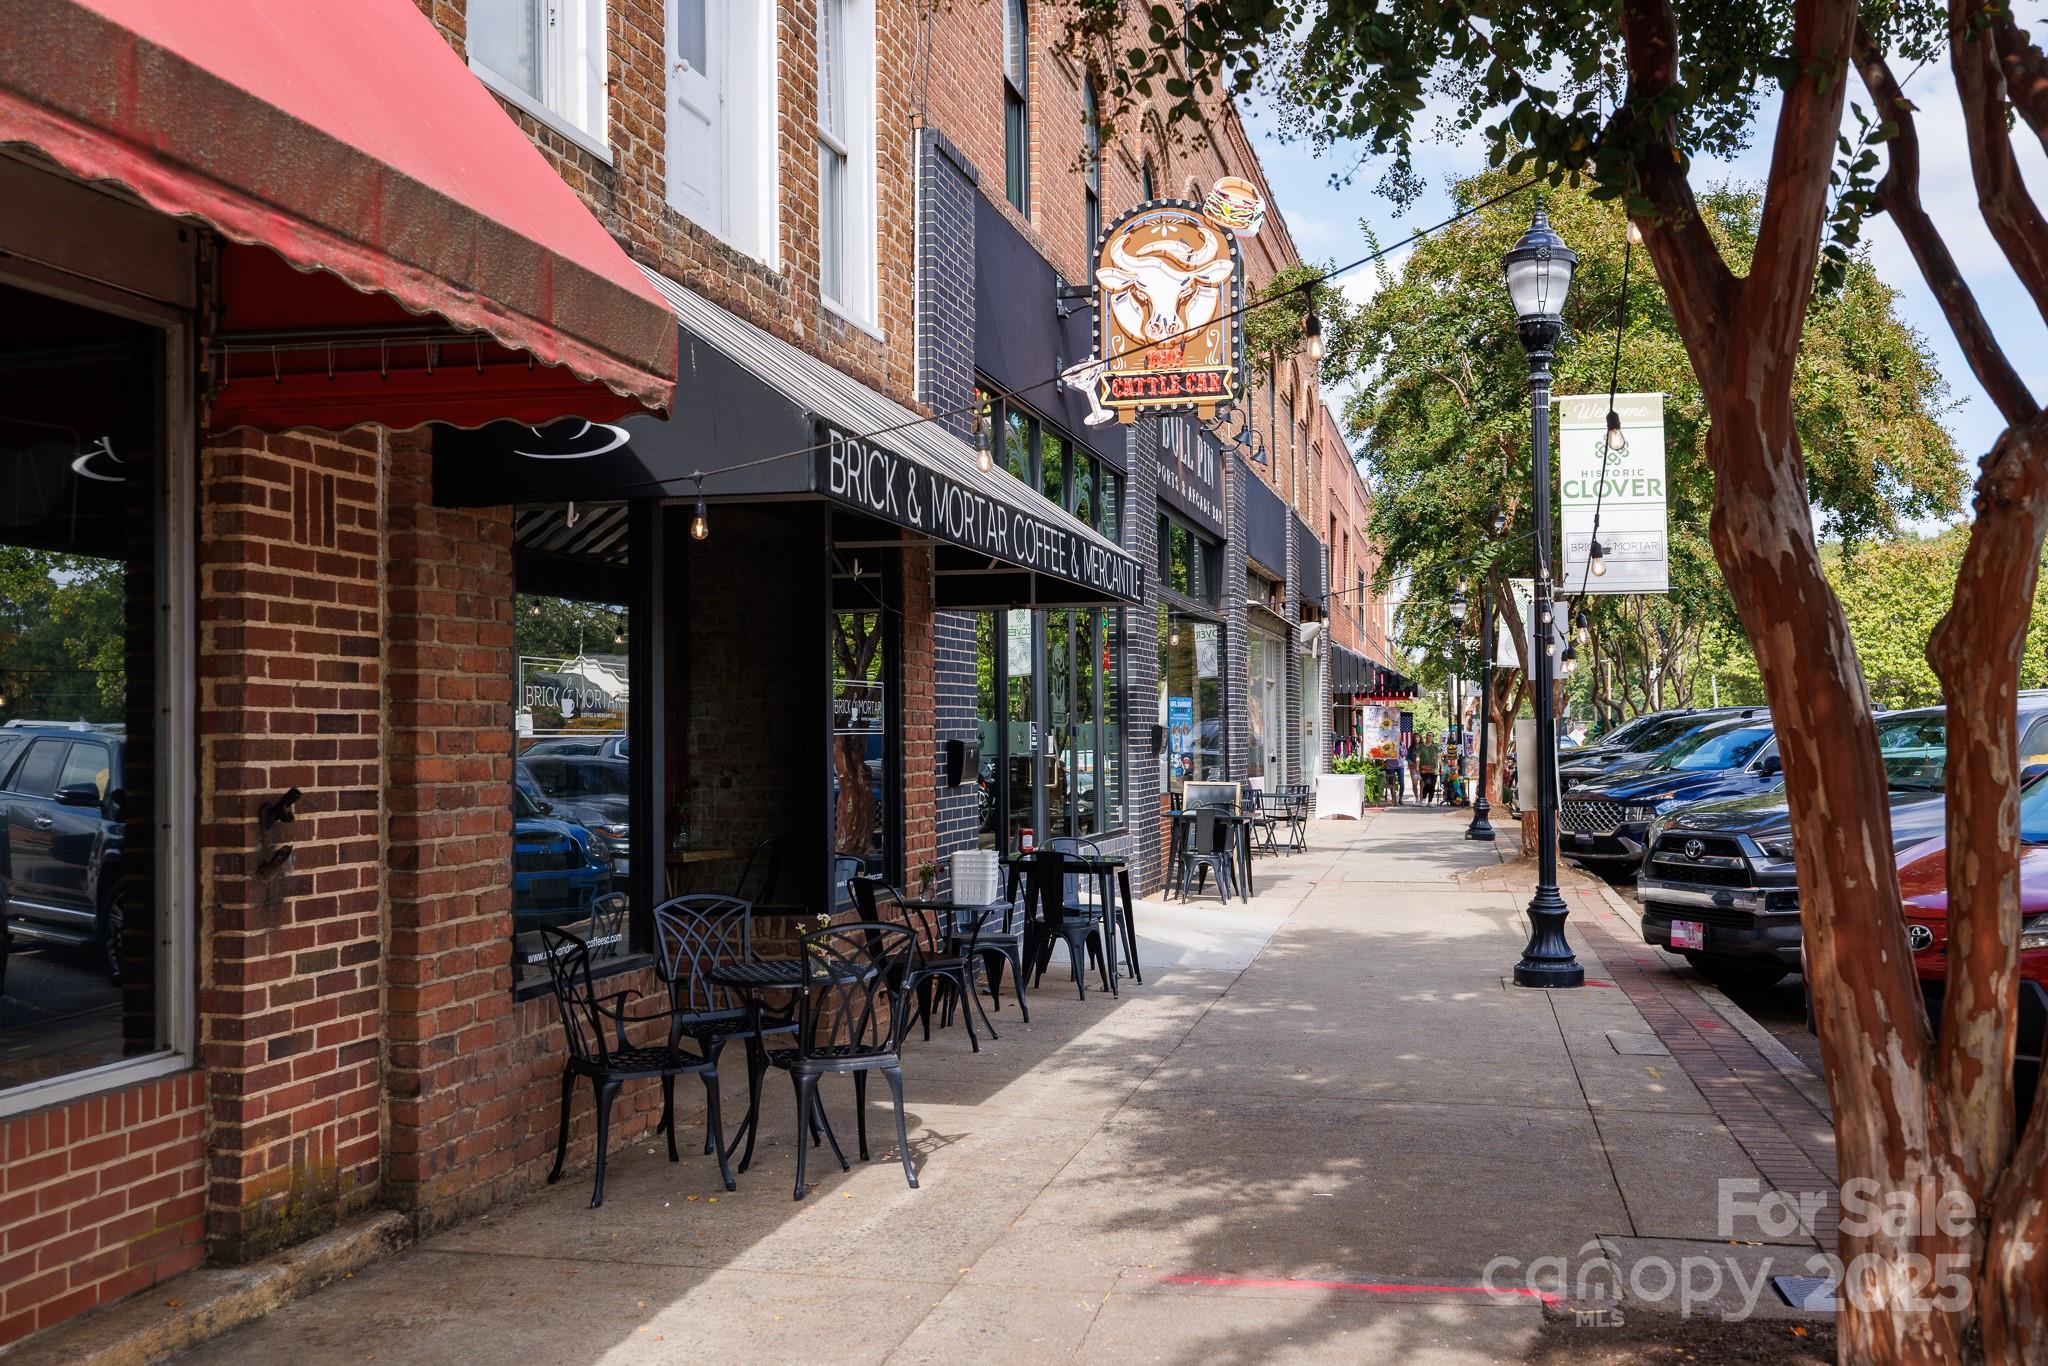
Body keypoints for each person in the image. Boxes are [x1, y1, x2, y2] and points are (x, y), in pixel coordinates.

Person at [1414, 731, 1440, 803]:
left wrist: (1442, 766)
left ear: (1433, 738)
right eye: (1428, 735)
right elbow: (1418, 757)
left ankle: (1430, 802)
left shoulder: (1435, 747)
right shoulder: (1421, 746)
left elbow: (1438, 757)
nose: (1429, 737)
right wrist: (1417, 767)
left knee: (1432, 786)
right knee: (1428, 783)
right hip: (1424, 770)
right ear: (1426, 737)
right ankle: (1424, 799)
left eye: (1431, 736)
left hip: (1434, 769)